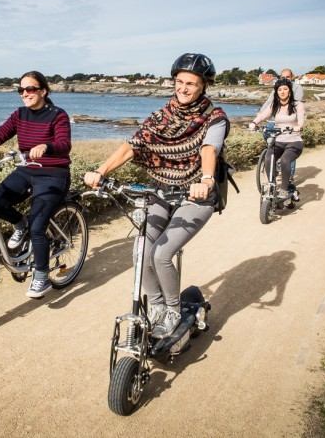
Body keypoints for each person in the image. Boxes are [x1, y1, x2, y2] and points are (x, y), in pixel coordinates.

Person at [84, 53, 229, 339]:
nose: (183, 88)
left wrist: (206, 179)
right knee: (141, 250)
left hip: (195, 195)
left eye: (191, 83)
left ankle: (173, 310)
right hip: (161, 191)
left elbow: (209, 149)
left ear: (203, 86)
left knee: (162, 253)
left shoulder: (214, 118)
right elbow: (133, 146)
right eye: (179, 82)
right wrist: (99, 171)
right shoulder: (162, 116)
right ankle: (157, 307)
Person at [0, 71, 72, 299]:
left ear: (43, 91)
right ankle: (21, 225)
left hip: (53, 174)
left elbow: (64, 143)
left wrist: (46, 147)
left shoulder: (58, 115)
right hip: (27, 169)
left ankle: (41, 276)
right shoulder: (20, 115)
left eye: (30, 89)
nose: (25, 94)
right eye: (21, 90)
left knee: (38, 225)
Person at [248, 78, 306, 201]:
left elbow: (301, 120)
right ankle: (272, 185)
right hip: (279, 140)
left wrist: (299, 126)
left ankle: (284, 188)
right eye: (280, 90)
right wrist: (254, 122)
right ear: (276, 92)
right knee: (269, 158)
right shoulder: (274, 104)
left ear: (290, 91)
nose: (282, 92)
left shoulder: (297, 105)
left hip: (294, 141)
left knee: (285, 160)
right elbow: (264, 115)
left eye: (285, 89)